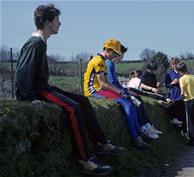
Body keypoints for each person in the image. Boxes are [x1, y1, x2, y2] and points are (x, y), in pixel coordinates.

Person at [14, 4, 124, 176]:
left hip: (42, 87)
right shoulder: (35, 44)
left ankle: (101, 143)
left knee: (83, 101)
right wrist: (29, 98)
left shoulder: (40, 43)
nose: (60, 23)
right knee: (73, 108)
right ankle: (86, 160)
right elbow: (22, 73)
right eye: (57, 19)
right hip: (36, 90)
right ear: (48, 22)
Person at [83, 39, 154, 150]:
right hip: (94, 91)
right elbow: (102, 84)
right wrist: (120, 92)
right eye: (115, 53)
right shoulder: (99, 61)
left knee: (130, 102)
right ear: (107, 50)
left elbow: (105, 83)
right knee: (128, 104)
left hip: (98, 89)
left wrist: (122, 92)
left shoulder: (101, 60)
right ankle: (136, 139)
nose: (116, 55)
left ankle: (139, 135)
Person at [178, 62, 194, 147]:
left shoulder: (182, 79)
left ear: (180, 71)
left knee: (190, 121)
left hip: (189, 100)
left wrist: (179, 98)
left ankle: (193, 140)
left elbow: (182, 93)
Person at [164, 57, 187, 133]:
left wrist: (179, 81)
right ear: (171, 65)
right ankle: (177, 132)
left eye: (176, 63)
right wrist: (172, 83)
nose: (174, 65)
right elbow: (167, 85)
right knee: (175, 115)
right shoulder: (169, 74)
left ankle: (184, 131)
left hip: (182, 96)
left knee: (182, 114)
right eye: (173, 64)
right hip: (173, 96)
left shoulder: (183, 73)